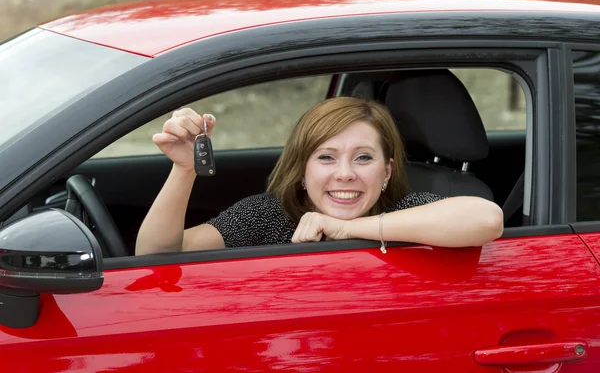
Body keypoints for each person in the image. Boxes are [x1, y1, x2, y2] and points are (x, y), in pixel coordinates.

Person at [135, 97, 503, 255]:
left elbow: (487, 218)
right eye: (326, 157)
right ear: (302, 169)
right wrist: (184, 170)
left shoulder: (408, 212)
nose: (345, 174)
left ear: (387, 171)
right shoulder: (266, 216)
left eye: (363, 158)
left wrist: (345, 228)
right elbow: (154, 256)